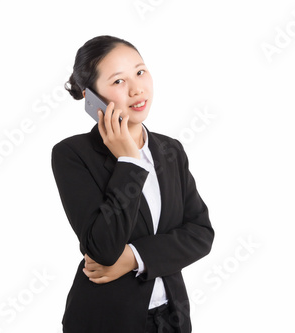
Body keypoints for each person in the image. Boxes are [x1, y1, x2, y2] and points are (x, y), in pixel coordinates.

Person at [51, 35, 214, 333]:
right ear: (91, 97)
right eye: (118, 81)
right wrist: (129, 162)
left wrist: (135, 258)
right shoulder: (72, 155)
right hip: (106, 320)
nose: (137, 89)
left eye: (140, 72)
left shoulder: (170, 150)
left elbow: (201, 233)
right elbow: (102, 249)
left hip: (172, 318)